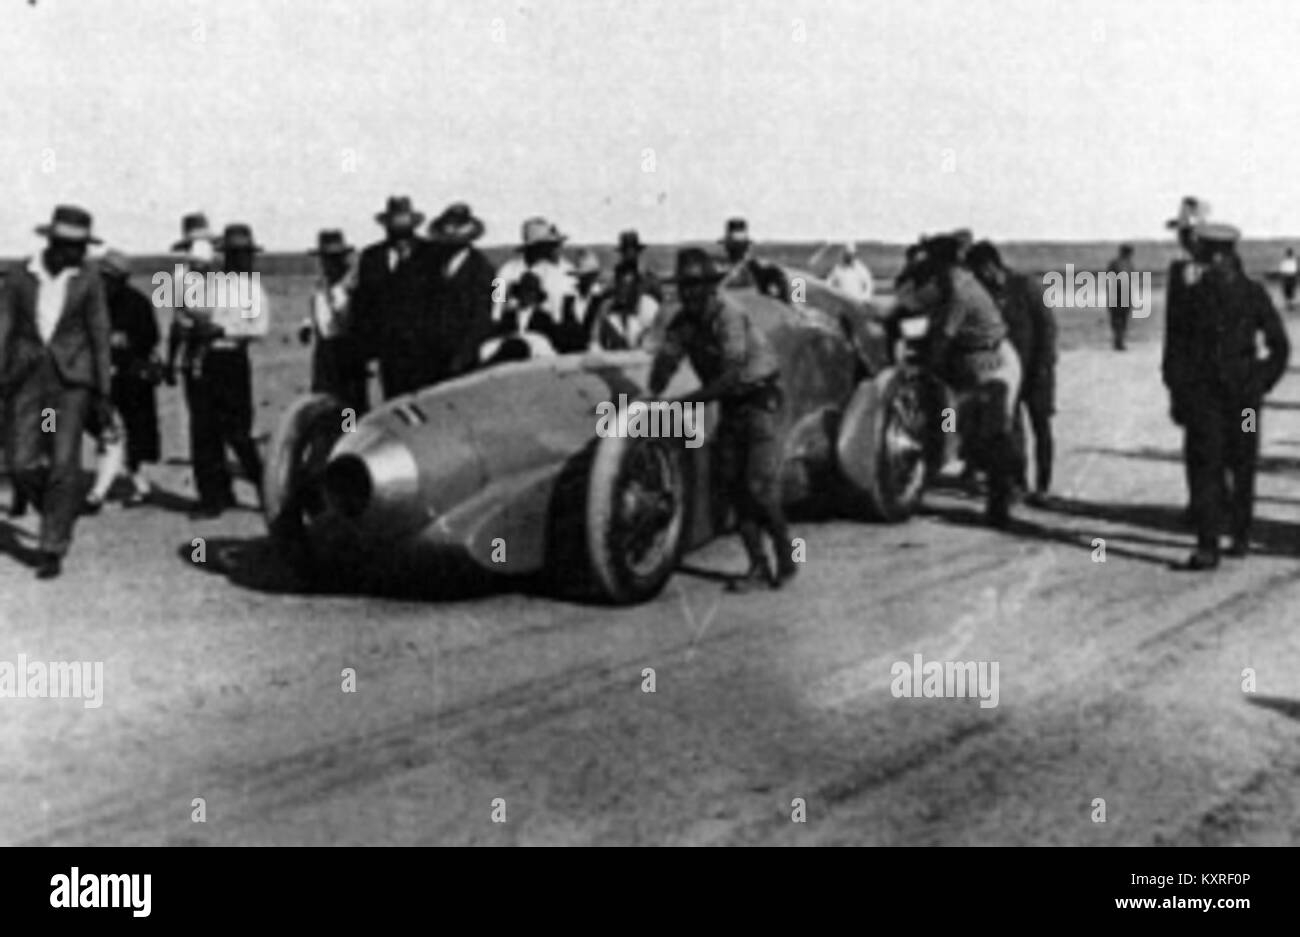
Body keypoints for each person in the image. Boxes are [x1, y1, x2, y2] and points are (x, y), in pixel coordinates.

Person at [647, 248, 796, 592]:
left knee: (759, 487)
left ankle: (785, 549)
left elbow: (731, 376)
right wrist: (651, 397)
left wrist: (683, 404)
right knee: (732, 487)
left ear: (710, 286)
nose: (689, 292)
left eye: (696, 285)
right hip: (730, 404)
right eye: (685, 285)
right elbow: (666, 362)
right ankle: (758, 565)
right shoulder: (683, 323)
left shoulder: (729, 315)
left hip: (759, 399)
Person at [1163, 222, 1289, 570]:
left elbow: (1279, 346)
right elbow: (1175, 350)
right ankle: (1215, 542)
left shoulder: (1249, 294)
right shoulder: (1198, 295)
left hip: (1239, 403)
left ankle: (1233, 537)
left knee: (1235, 464)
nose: (1201, 261)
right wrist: (1177, 391)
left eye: (1204, 255)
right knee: (1213, 466)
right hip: (1217, 402)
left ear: (1220, 255)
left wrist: (1260, 381)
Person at [0, 205, 112, 578]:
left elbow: (99, 335)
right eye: (73, 247)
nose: (80, 255)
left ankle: (52, 546)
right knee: (21, 463)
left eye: (83, 247)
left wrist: (103, 392)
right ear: (53, 243)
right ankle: (55, 510)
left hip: (70, 383)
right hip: (28, 378)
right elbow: (4, 327)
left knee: (64, 461)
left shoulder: (89, 278)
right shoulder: (19, 275)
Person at [900, 234, 1022, 526]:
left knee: (993, 435)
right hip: (977, 362)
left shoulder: (959, 290)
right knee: (975, 429)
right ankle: (999, 489)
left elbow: (942, 338)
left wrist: (921, 365)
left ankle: (1001, 503)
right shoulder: (952, 282)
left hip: (992, 366)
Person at [180, 223, 270, 518]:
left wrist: (223, 329)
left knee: (239, 431)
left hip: (232, 359)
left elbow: (259, 328)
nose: (240, 260)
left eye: (244, 254)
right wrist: (195, 327)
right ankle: (214, 496)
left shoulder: (253, 289)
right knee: (204, 431)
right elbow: (190, 312)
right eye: (233, 254)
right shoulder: (212, 283)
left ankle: (268, 490)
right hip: (206, 359)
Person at [967, 241, 1058, 505]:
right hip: (1009, 372)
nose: (977, 277)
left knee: (1041, 427)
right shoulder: (986, 293)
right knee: (1012, 428)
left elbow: (1047, 328)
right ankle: (1018, 482)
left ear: (989, 265)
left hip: (1037, 370)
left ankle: (1043, 486)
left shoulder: (1026, 286)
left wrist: (1044, 366)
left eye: (978, 271)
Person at [84, 249, 161, 510]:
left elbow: (149, 338)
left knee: (128, 435)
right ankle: (130, 485)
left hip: (131, 379)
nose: (103, 282)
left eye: (109, 278)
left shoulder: (137, 304)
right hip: (100, 378)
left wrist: (123, 356)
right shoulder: (90, 303)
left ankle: (100, 492)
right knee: (107, 431)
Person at [350, 196, 437, 399]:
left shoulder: (430, 254)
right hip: (388, 352)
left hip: (424, 351)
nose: (397, 227)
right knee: (393, 403)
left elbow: (438, 302)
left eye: (402, 220)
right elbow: (363, 306)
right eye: (393, 221)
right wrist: (367, 351)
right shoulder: (372, 257)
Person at [1162, 196, 1210, 522]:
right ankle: (1199, 503)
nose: (1185, 239)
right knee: (1195, 442)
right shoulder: (1177, 272)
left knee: (1230, 441)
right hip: (1189, 373)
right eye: (1181, 233)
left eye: (1190, 233)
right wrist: (1171, 374)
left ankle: (1224, 505)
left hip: (1219, 372)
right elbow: (1173, 326)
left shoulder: (1223, 270)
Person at [300, 229, 367, 415]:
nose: (330, 263)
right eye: (326, 258)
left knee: (349, 407)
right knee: (323, 404)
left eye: (335, 258)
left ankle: (349, 439)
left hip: (347, 352)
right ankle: (326, 440)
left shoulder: (353, 287)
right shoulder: (319, 286)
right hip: (324, 353)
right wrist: (307, 326)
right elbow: (315, 312)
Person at [425, 202, 496, 378]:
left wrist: (466, 353)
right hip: (433, 353)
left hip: (465, 354)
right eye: (449, 227)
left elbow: (486, 315)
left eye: (458, 227)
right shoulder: (434, 266)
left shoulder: (485, 268)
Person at [493, 217, 579, 332]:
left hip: (548, 329)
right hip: (512, 327)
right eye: (545, 245)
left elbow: (558, 312)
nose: (549, 250)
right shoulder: (506, 271)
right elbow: (496, 306)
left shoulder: (558, 272)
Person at [717, 217, 791, 301]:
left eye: (738, 246)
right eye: (734, 246)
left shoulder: (759, 269)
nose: (736, 250)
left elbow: (784, 287)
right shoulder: (721, 270)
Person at [612, 229, 663, 305]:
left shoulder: (649, 278)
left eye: (630, 250)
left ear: (637, 252)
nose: (627, 255)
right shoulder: (618, 275)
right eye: (625, 251)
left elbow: (658, 301)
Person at [1106, 244, 1135, 350]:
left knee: (1118, 320)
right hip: (1121, 296)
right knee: (1121, 320)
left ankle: (1118, 341)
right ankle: (1119, 342)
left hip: (1118, 296)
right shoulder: (1127, 264)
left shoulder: (1116, 263)